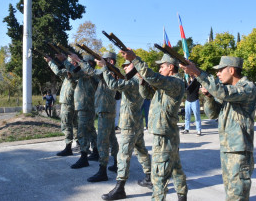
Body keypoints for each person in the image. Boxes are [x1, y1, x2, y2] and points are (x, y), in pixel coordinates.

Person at [180, 56, 256, 201]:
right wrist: (209, 96)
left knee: (237, 196)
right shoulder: (229, 91)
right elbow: (212, 114)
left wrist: (197, 73)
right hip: (228, 149)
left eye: (221, 70)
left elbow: (222, 93)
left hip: (239, 152)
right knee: (231, 194)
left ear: (232, 70)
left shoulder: (247, 87)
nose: (218, 73)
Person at [121, 50, 188, 201]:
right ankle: (182, 196)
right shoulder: (166, 86)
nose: (159, 69)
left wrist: (135, 60)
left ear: (171, 67)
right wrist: (143, 82)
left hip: (164, 135)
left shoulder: (175, 82)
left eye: (162, 66)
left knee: (158, 177)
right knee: (176, 169)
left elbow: (154, 77)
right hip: (166, 133)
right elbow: (148, 95)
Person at [101, 60, 152, 200]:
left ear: (135, 67)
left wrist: (105, 69)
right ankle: (150, 177)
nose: (124, 67)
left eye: (127, 65)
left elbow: (112, 85)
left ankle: (120, 188)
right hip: (136, 123)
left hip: (129, 125)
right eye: (123, 66)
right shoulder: (136, 80)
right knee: (141, 151)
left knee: (123, 155)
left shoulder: (134, 81)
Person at [75, 52, 119, 183]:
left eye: (104, 60)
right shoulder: (106, 71)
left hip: (106, 110)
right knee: (111, 138)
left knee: (102, 141)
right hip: (104, 109)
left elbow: (92, 72)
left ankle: (102, 171)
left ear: (110, 62)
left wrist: (79, 60)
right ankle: (116, 163)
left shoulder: (111, 72)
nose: (100, 62)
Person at [59, 53, 99, 168]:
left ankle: (84, 157)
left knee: (83, 132)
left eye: (84, 63)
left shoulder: (90, 73)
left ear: (89, 64)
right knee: (90, 130)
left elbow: (76, 70)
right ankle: (96, 152)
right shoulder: (85, 74)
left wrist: (65, 60)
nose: (81, 65)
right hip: (84, 107)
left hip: (85, 107)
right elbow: (73, 73)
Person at [45, 56, 78, 156]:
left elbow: (58, 72)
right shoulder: (76, 73)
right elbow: (61, 74)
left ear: (74, 63)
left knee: (66, 124)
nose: (66, 65)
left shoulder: (73, 71)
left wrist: (50, 62)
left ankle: (68, 148)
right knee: (75, 125)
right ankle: (79, 145)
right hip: (74, 102)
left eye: (68, 63)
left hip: (68, 102)